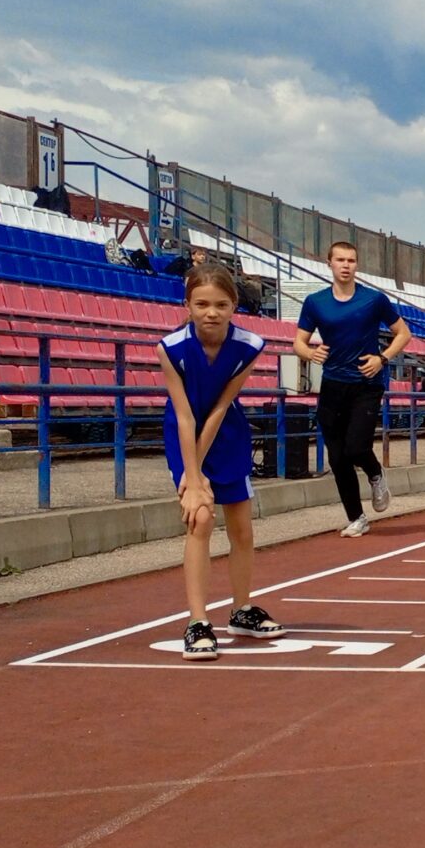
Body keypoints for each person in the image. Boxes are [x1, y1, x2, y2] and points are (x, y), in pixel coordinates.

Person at [160, 262, 283, 659]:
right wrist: (192, 476)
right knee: (199, 518)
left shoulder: (249, 346)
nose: (211, 312)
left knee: (242, 528)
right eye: (202, 304)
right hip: (183, 433)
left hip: (226, 432)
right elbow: (185, 415)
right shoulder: (171, 349)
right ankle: (197, 621)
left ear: (234, 306)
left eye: (221, 304)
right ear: (188, 304)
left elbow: (220, 407)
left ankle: (241, 609)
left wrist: (202, 471)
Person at [293, 240, 411, 538]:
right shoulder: (316, 302)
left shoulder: (373, 300)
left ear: (357, 265)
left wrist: (382, 358)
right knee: (337, 458)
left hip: (366, 384)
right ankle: (357, 518)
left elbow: (403, 333)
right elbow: (299, 342)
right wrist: (310, 353)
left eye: (351, 260)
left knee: (356, 447)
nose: (346, 265)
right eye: (340, 260)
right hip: (332, 385)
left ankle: (375, 473)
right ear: (329, 263)